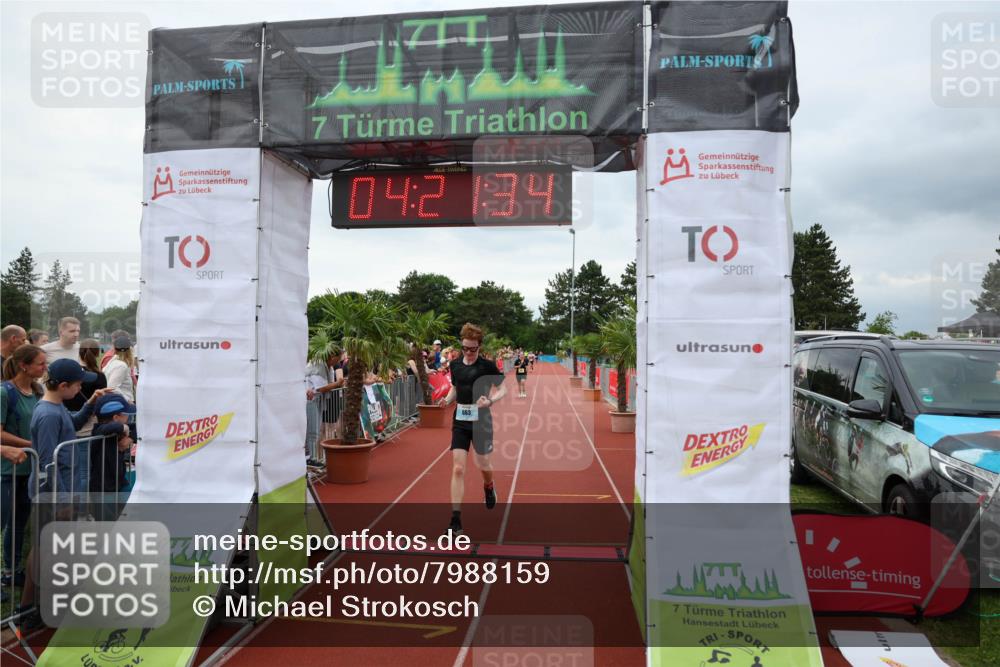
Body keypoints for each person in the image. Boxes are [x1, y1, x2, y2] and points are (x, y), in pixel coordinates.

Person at [17, 359, 109, 628]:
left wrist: (90, 402)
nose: (81, 388)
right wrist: (61, 499)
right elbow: (47, 462)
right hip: (53, 494)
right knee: (44, 548)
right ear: (64, 385)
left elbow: (75, 424)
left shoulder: (56, 407)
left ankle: (50, 602)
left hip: (62, 492)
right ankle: (27, 609)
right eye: (79, 385)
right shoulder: (47, 414)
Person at [438, 323, 507, 534]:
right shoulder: (456, 364)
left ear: (479, 347)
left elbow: (503, 388)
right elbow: (455, 388)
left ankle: (489, 486)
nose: (468, 352)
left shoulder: (487, 366)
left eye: (473, 349)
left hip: (482, 420)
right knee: (458, 468)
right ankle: (455, 520)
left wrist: (491, 401)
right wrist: (446, 400)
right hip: (460, 419)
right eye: (465, 348)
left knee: (484, 463)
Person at [0, 345, 46, 591]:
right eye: (40, 363)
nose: (45, 368)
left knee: (19, 523)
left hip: (30, 470)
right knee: (5, 521)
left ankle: (12, 570)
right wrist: (30, 444)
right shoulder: (5, 393)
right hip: (8, 471)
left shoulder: (38, 391)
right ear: (24, 366)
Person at [89, 394, 135, 519]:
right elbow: (111, 427)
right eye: (125, 415)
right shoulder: (98, 430)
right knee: (106, 522)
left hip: (120, 482)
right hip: (103, 487)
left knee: (129, 512)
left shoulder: (115, 429)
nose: (128, 418)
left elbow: (136, 429)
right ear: (116, 417)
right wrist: (124, 427)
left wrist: (129, 438)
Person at [64, 339, 108, 437]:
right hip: (88, 418)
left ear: (79, 353)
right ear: (97, 354)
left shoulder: (72, 371)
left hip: (68, 414)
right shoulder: (99, 375)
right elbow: (101, 399)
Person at [104, 335, 137, 403]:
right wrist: (128, 400)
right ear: (129, 350)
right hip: (122, 405)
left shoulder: (113, 361)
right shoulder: (121, 365)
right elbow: (112, 387)